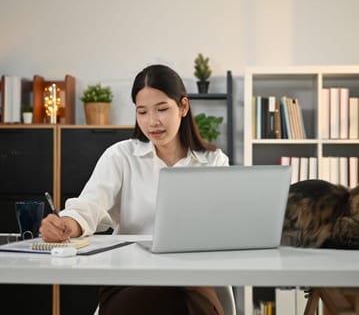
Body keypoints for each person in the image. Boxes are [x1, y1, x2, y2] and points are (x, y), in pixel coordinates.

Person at [39, 64, 229, 315]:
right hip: (129, 279)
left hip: (192, 278)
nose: (152, 122)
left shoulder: (213, 162)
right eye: (142, 112)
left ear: (183, 106)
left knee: (181, 290)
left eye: (162, 109)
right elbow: (89, 206)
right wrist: (67, 225)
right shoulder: (121, 156)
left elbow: (224, 227)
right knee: (172, 293)